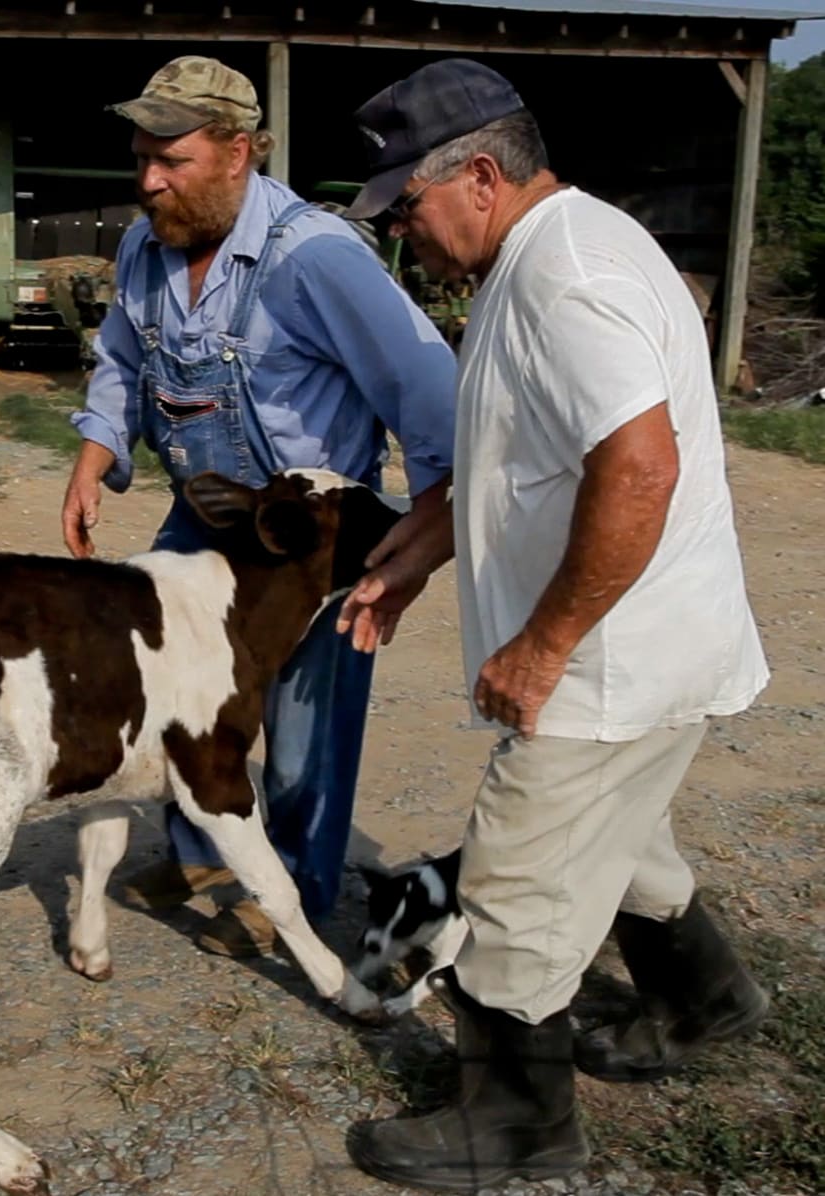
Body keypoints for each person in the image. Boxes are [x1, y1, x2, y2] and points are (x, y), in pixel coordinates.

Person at [335, 59, 771, 1191]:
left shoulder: (563, 275)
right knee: (617, 840)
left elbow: (637, 469)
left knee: (518, 883)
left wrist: (542, 642)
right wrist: (421, 554)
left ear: (478, 175)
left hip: (605, 661)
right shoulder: (551, 253)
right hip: (647, 650)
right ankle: (703, 999)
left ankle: (518, 1128)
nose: (401, 233)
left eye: (407, 206)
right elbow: (525, 457)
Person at [62, 56, 459, 954]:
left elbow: (428, 394)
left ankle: (297, 891)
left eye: (173, 161)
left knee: (302, 722)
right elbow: (121, 362)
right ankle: (203, 853)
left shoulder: (315, 259)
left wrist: (422, 536)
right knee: (183, 694)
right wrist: (94, 457)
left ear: (238, 152)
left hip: (307, 539)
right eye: (142, 158)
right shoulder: (143, 246)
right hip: (205, 519)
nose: (149, 180)